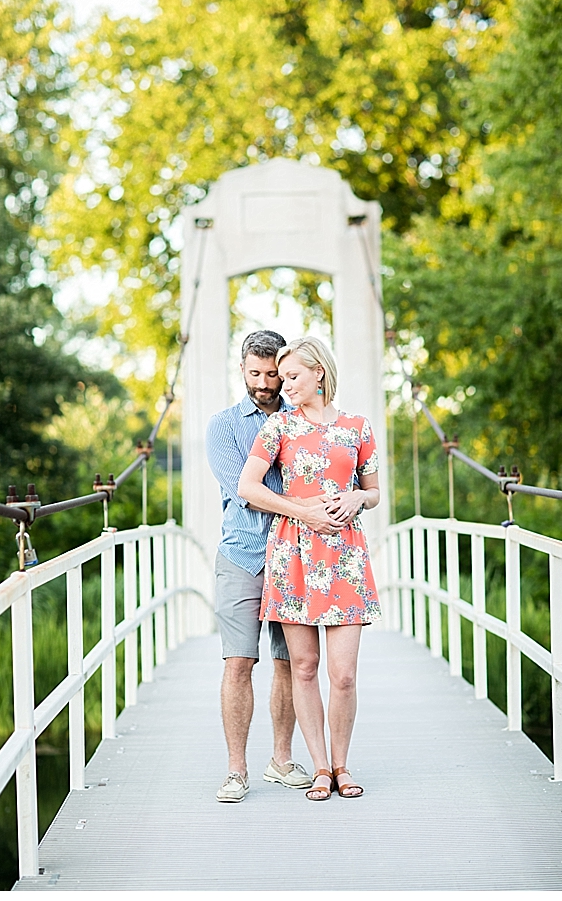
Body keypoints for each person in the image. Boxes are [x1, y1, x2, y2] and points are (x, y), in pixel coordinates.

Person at [236, 335, 383, 802]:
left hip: (345, 556)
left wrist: (360, 497)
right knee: (303, 666)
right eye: (282, 377)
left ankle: (343, 764)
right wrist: (303, 510)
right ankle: (320, 767)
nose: (284, 384)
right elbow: (248, 487)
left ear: (319, 372)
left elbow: (374, 491)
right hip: (294, 554)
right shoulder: (278, 428)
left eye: (293, 376)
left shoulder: (358, 426)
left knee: (343, 675)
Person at [204, 329, 321, 802]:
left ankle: (281, 760)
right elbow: (244, 491)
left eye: (274, 374)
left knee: (290, 662)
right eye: (255, 373)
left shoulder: (306, 421)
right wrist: (308, 507)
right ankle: (236, 771)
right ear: (242, 370)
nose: (265, 383)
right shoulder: (223, 426)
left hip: (295, 556)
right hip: (243, 553)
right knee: (238, 663)